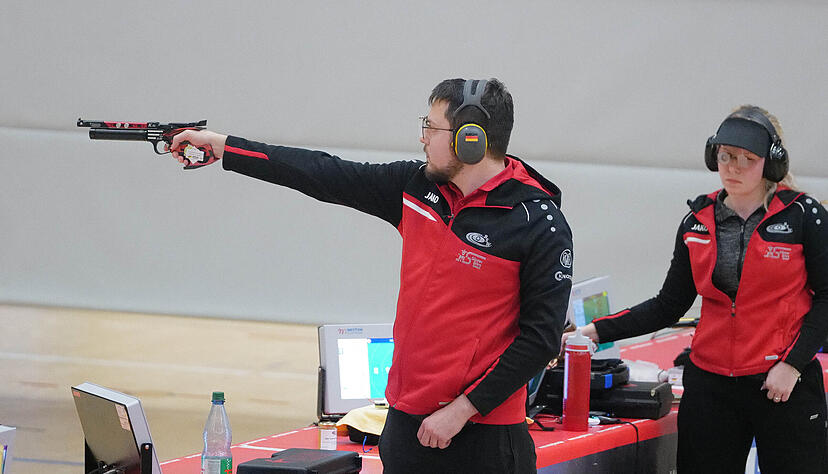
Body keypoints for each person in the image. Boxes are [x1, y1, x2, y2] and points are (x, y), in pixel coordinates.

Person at [169, 78, 573, 473]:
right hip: (404, 428)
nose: (422, 139)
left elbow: (539, 341)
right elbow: (321, 173)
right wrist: (225, 148)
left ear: (471, 139)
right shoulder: (415, 187)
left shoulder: (539, 223)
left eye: (431, 128)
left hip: (484, 439)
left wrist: (463, 410)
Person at [564, 105, 828, 473]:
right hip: (711, 387)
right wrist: (595, 331)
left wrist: (792, 366)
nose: (733, 168)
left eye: (747, 159)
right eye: (726, 156)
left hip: (782, 384)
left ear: (771, 164)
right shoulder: (697, 221)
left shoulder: (805, 216)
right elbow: (668, 305)